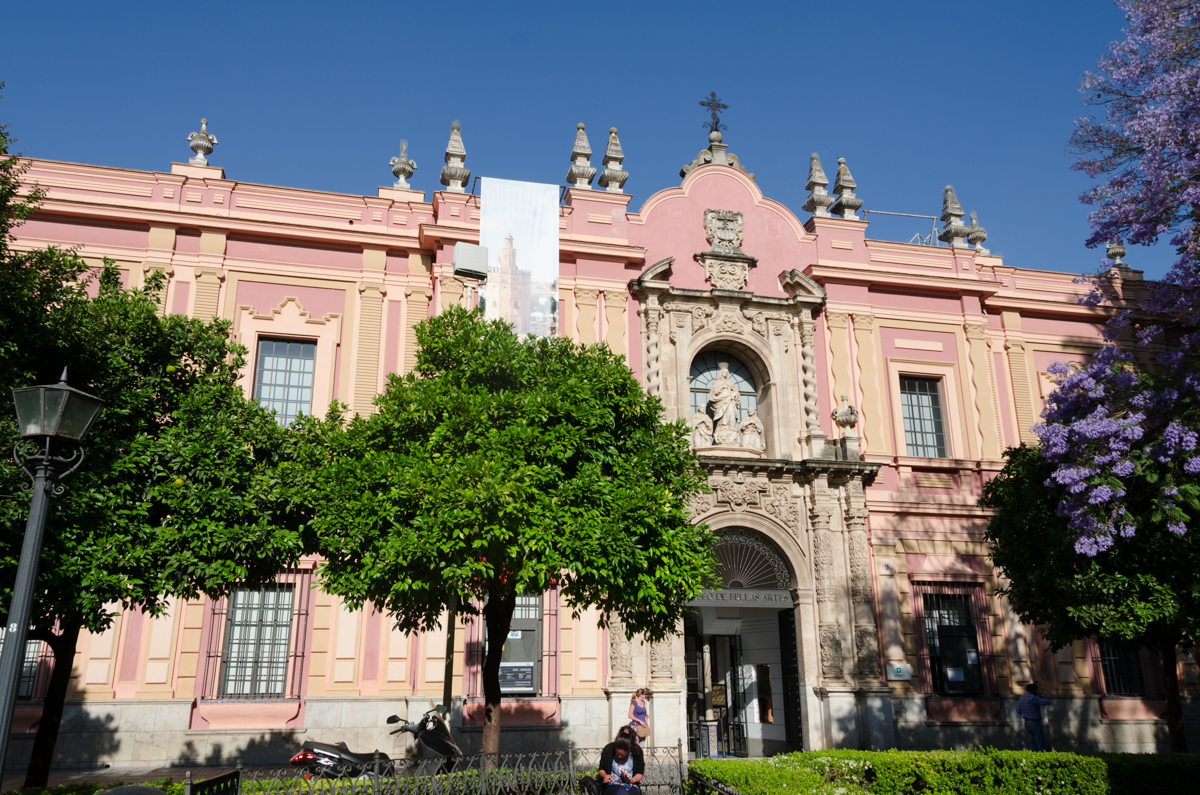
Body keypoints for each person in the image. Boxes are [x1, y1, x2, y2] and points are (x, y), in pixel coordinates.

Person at [1017, 682, 1051, 751]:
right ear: (1034, 690)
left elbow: (1018, 711)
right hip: (1035, 722)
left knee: (1032, 744)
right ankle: (1041, 758)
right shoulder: (1033, 698)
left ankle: (1034, 757)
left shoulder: (1022, 698)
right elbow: (1047, 702)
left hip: (1027, 723)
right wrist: (1043, 696)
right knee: (1040, 743)